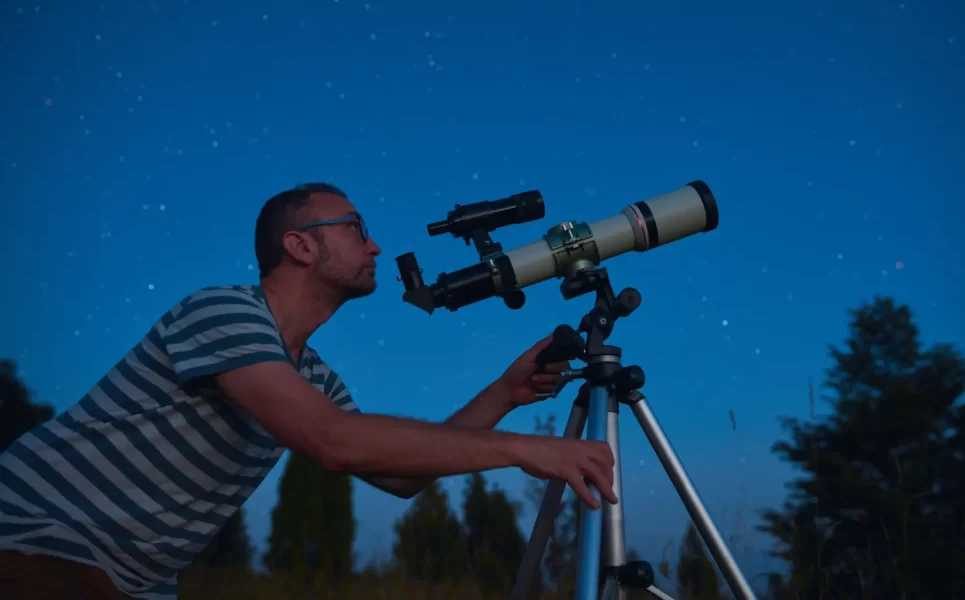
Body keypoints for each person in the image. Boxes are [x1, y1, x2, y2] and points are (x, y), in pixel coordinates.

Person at [0, 182, 617, 600]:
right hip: (34, 537)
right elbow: (332, 441)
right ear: (299, 246)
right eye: (354, 228)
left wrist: (504, 392)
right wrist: (525, 449)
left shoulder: (312, 375)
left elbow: (398, 475)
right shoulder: (223, 312)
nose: (373, 244)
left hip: (129, 582)